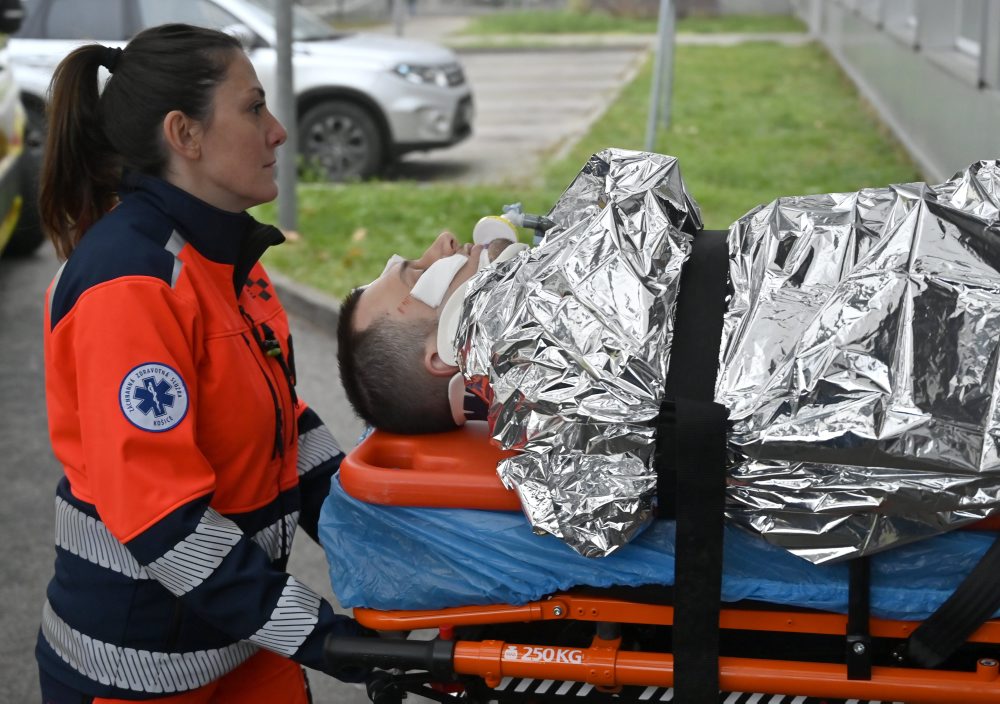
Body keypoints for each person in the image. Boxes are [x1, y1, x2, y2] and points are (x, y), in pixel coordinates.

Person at [37, 24, 370, 703]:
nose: (278, 131)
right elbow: (162, 517)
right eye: (253, 108)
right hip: (137, 671)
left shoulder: (222, 257)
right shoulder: (131, 283)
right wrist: (324, 636)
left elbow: (284, 423)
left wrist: (382, 526)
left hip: (234, 640)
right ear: (184, 135)